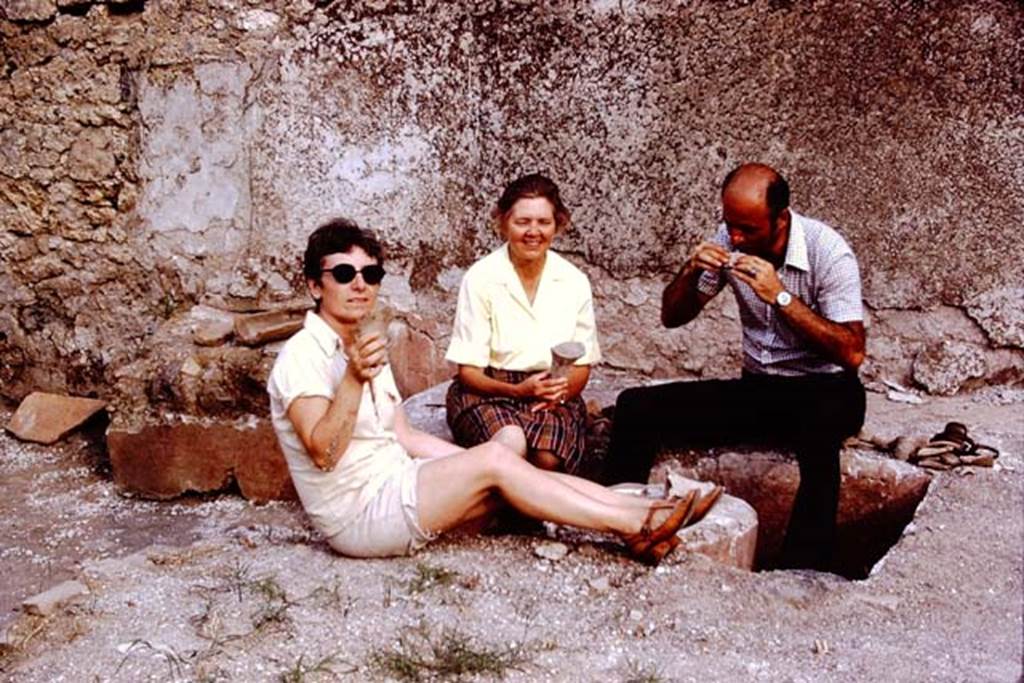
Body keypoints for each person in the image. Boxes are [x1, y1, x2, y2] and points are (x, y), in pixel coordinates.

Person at [267, 217, 714, 566]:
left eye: (371, 273)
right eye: (344, 273)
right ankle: (632, 522)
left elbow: (403, 436)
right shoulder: (303, 356)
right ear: (314, 285)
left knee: (506, 451)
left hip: (398, 482)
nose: (360, 284)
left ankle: (642, 508)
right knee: (499, 461)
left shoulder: (362, 341)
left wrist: (477, 464)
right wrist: (353, 379)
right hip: (359, 516)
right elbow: (323, 453)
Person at [602, 163, 867, 572]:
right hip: (760, 388)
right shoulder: (730, 237)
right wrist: (691, 271)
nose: (736, 238)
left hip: (826, 389)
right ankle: (611, 525)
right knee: (635, 406)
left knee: (819, 442)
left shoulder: (828, 252)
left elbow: (852, 353)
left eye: (748, 229)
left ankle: (801, 572)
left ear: (781, 220)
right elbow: (673, 317)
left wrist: (780, 297)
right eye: (730, 226)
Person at [444, 173, 600, 474]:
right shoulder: (482, 278)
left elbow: (582, 365)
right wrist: (518, 391)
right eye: (522, 222)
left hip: (551, 393)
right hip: (489, 391)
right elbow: (469, 372)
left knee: (548, 459)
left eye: (544, 222)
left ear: (558, 225)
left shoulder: (573, 281)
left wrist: (559, 394)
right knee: (510, 448)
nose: (533, 232)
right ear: (503, 223)